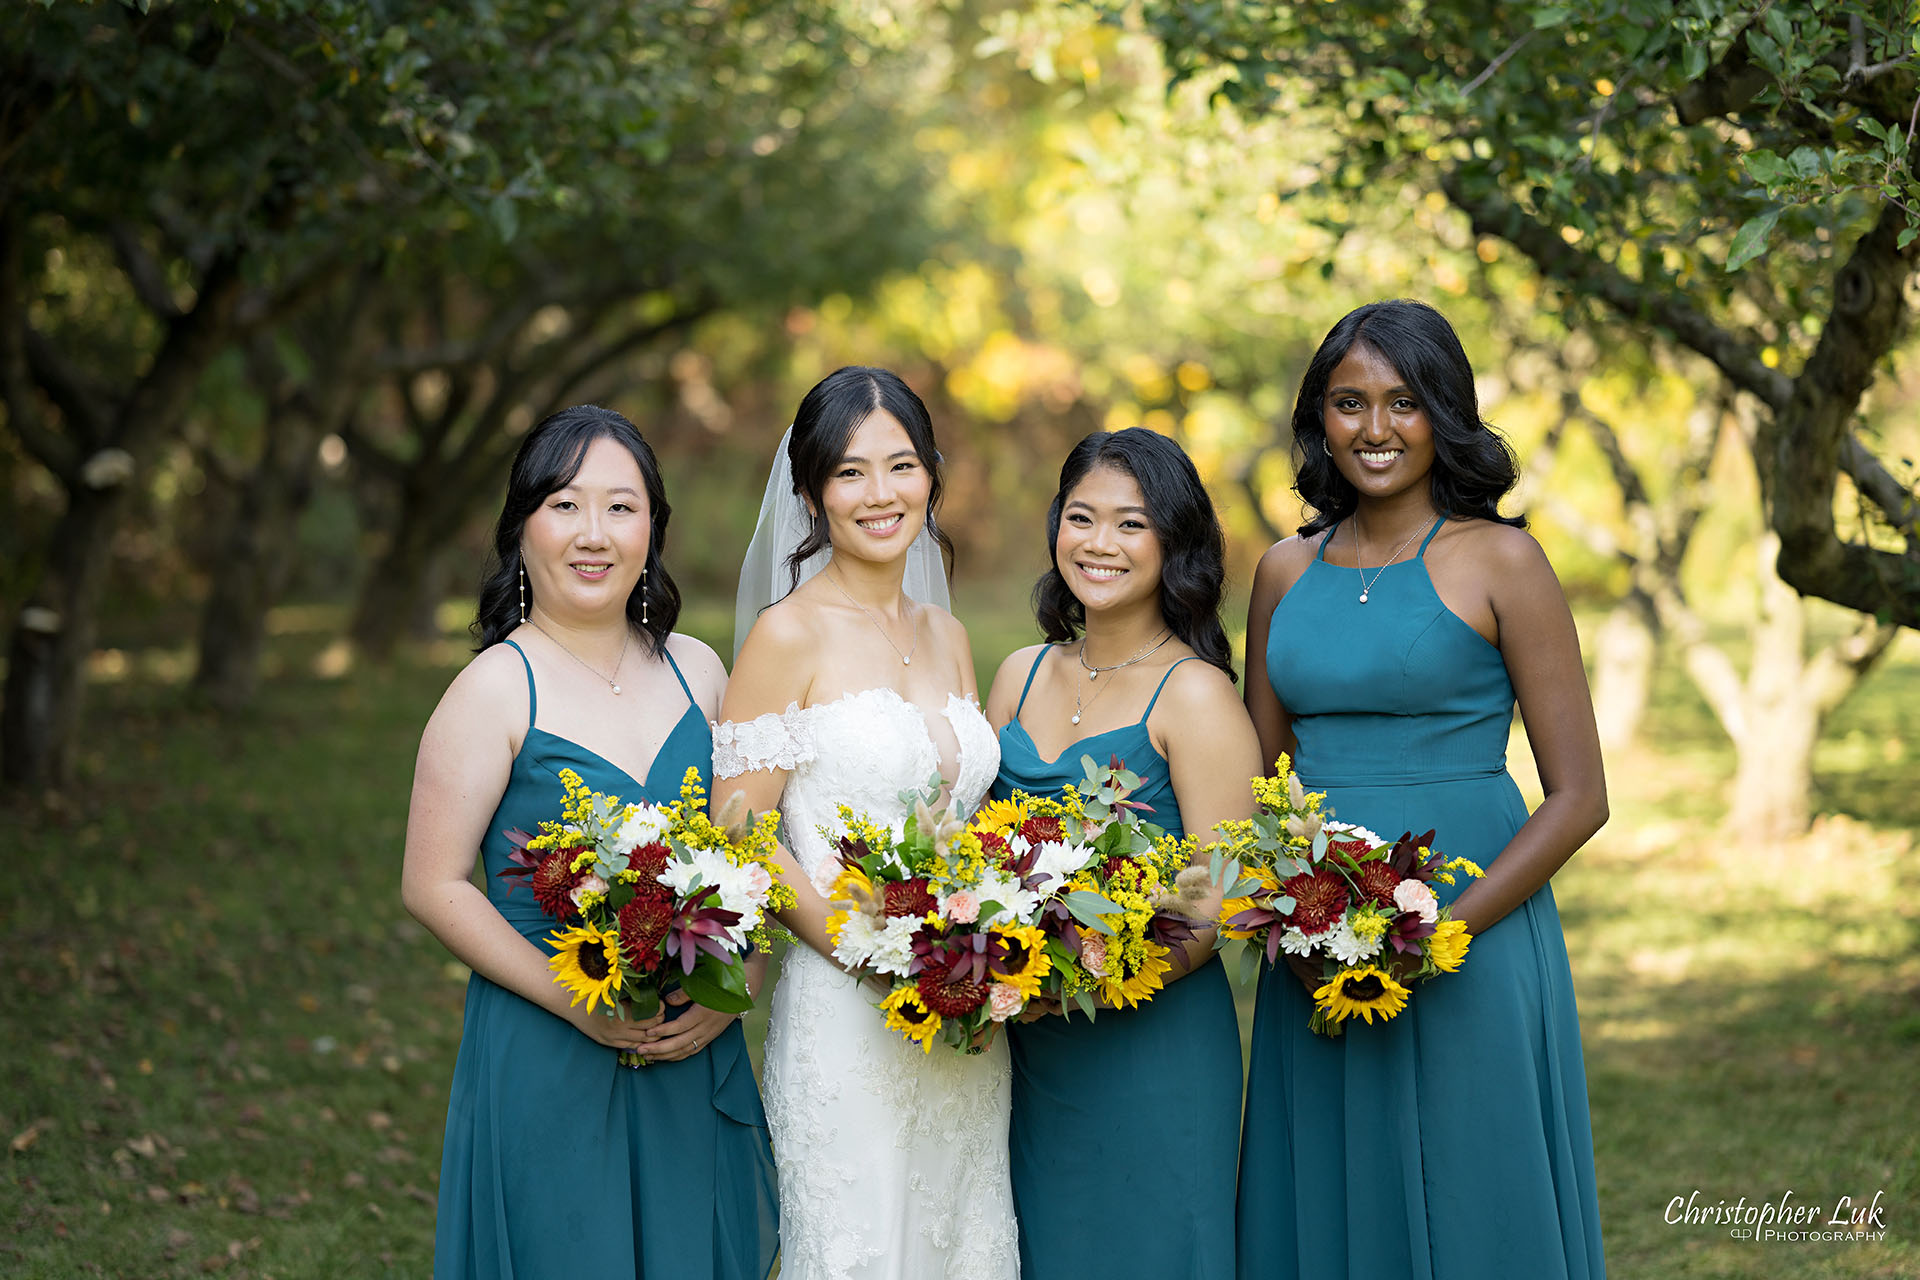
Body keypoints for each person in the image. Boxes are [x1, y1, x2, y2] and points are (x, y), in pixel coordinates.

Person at [1236, 300, 1609, 1279]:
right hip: (1316, 934)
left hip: (1474, 923)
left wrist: (1440, 930)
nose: (1375, 428)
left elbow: (1579, 796)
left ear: (1445, 411)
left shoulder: (1504, 560)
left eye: (1403, 401)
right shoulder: (1281, 571)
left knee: (1472, 1182)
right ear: (1319, 418)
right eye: (1348, 402)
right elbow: (1261, 788)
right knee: (1329, 1181)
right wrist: (1299, 913)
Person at [402, 405, 777, 1280]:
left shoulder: (703, 670)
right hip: (548, 1038)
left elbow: (747, 849)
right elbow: (434, 883)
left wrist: (740, 986)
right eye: (565, 506)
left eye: (621, 506)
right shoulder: (496, 687)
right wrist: (577, 1004)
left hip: (688, 1039)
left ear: (653, 528)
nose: (593, 534)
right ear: (522, 525)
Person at [711, 367, 1018, 1280]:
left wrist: (973, 950)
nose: (881, 495)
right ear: (810, 494)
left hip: (963, 1017)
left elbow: (956, 817)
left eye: (901, 466)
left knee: (959, 1238)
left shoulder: (949, 633)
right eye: (850, 473)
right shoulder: (787, 635)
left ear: (931, 476)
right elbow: (741, 833)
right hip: (847, 1013)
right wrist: (872, 952)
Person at [984, 428, 1260, 1278]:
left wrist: (1065, 985)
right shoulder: (1017, 674)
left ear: (1173, 542)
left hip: (1151, 1052)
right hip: (1025, 1056)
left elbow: (1213, 910)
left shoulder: (1198, 695)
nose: (1100, 544)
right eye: (1081, 518)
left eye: (1131, 525)